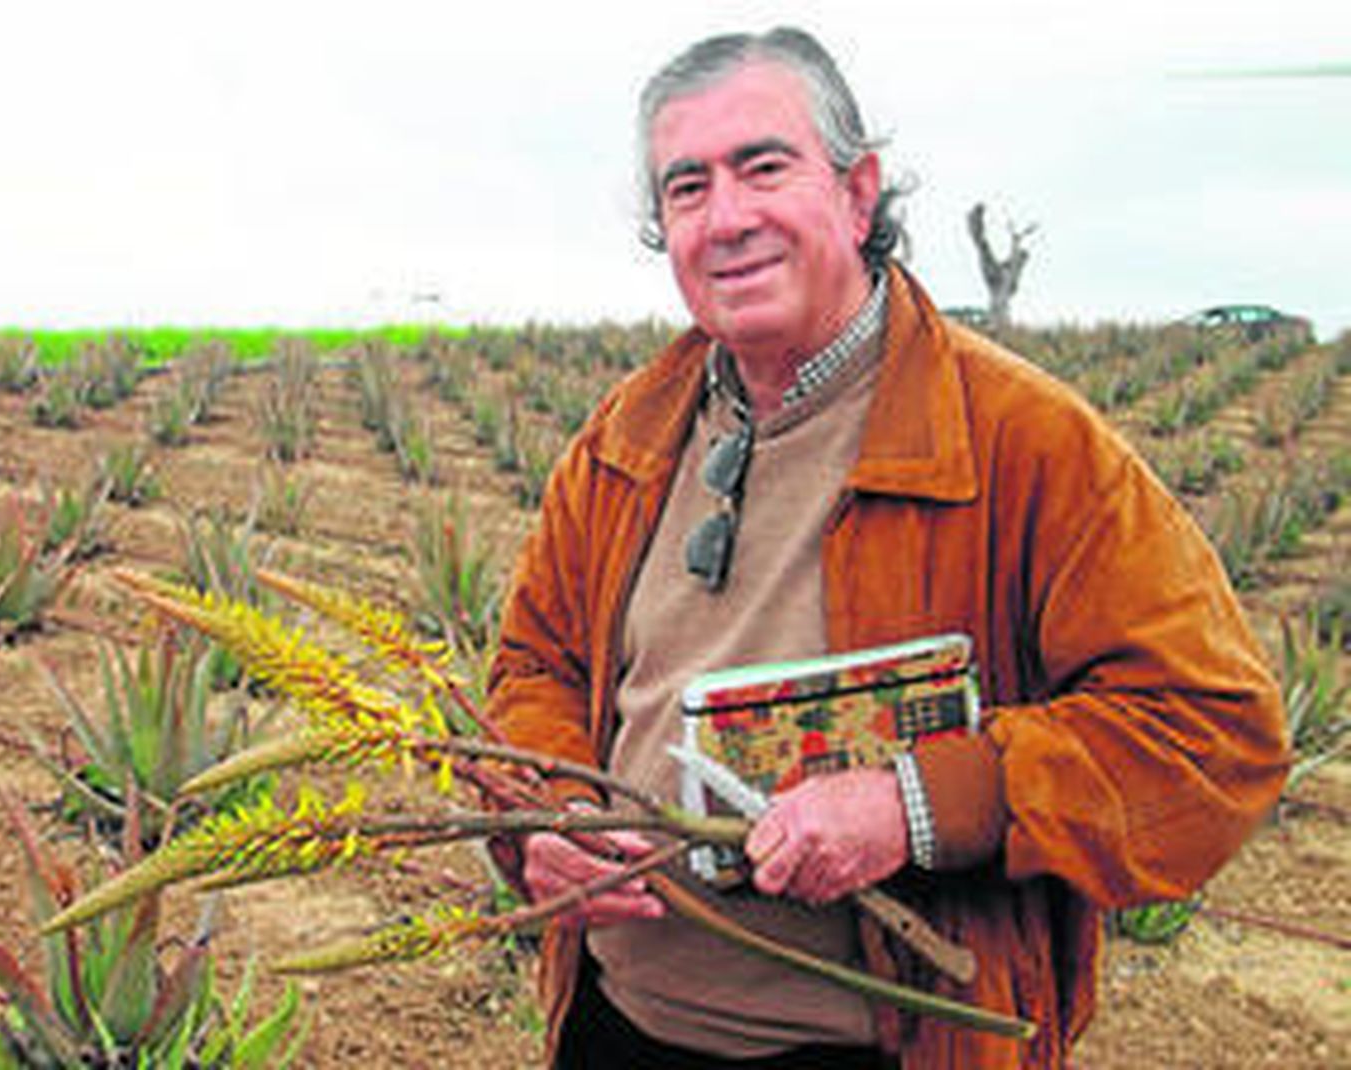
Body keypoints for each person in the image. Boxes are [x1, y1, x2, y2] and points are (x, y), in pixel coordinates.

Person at [485, 26, 1288, 1070]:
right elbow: (535, 666)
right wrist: (547, 815)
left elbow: (1210, 730)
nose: (727, 217)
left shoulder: (1023, 441)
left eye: (762, 167)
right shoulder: (625, 437)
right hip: (621, 1028)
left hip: (886, 1044)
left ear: (858, 193)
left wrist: (915, 805)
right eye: (687, 188)